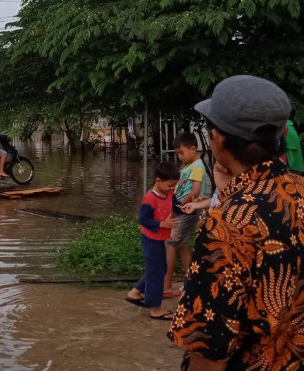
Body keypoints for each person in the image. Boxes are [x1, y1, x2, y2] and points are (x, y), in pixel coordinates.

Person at [169, 75, 304, 370]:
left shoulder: (227, 222)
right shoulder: (299, 190)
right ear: (281, 131)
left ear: (217, 138)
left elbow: (209, 344)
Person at [125, 161, 180, 319]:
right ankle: (155, 309)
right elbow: (143, 219)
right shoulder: (149, 199)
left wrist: (188, 207)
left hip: (160, 239)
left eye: (174, 186)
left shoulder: (169, 193)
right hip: (150, 239)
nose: (172, 189)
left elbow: (176, 206)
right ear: (158, 181)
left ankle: (135, 292)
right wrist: (162, 224)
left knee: (160, 268)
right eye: (170, 185)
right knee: (156, 272)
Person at [163, 132, 207, 297]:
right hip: (182, 210)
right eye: (177, 154)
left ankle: (167, 285)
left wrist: (179, 204)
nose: (180, 156)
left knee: (170, 244)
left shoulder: (197, 167)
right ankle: (191, 282)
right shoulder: (188, 167)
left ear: (193, 148)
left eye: (181, 153)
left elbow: (194, 192)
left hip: (187, 211)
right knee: (181, 246)